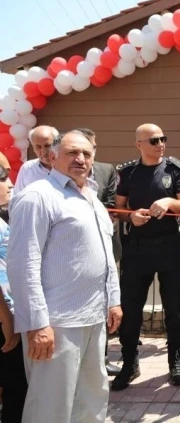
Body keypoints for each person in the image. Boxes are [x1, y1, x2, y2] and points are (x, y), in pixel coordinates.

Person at [7, 131, 122, 423]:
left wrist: (113, 301)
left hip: (94, 318)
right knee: (50, 407)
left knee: (91, 399)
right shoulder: (37, 196)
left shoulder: (92, 197)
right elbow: (23, 264)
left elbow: (105, 255)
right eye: (72, 152)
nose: (80, 159)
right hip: (56, 324)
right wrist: (36, 323)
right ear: (52, 156)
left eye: (86, 153)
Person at [111, 124, 180, 391]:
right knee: (131, 310)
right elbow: (118, 208)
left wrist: (169, 203)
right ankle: (129, 363)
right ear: (139, 144)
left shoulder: (175, 170)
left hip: (169, 246)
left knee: (174, 310)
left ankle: (175, 362)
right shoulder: (127, 173)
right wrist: (131, 216)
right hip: (137, 248)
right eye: (154, 140)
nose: (160, 144)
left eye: (163, 139)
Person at [77, 127, 123, 376]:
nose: (85, 155)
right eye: (79, 150)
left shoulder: (107, 170)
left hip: (104, 249)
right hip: (76, 256)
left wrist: (112, 215)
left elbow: (112, 203)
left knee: (104, 305)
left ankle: (101, 358)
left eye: (90, 149)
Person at [0, 165, 24, 423]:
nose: (10, 184)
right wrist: (7, 317)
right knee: (16, 386)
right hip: (3, 315)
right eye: (3, 178)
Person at [13, 125, 58, 193]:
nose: (43, 151)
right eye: (38, 147)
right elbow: (17, 196)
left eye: (48, 146)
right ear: (33, 148)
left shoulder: (68, 166)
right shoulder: (27, 168)